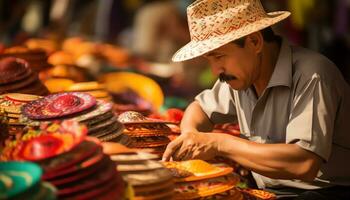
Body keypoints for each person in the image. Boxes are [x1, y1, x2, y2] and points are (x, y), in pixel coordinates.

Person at [162, 0, 350, 199]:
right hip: (271, 192)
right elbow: (199, 107)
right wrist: (191, 135)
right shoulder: (242, 76)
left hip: (325, 193)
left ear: (255, 42)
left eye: (219, 57)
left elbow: (303, 163)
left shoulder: (313, 75)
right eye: (210, 60)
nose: (215, 71)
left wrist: (219, 144)